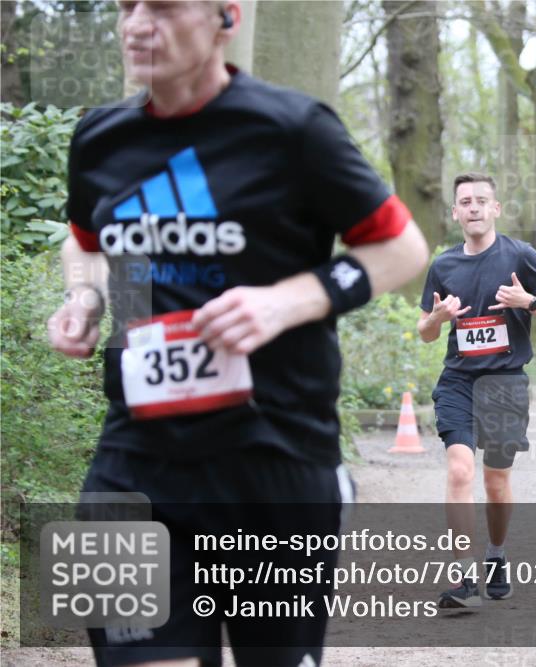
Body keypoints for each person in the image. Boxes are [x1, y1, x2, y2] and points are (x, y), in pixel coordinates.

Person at [46, 2, 429, 665]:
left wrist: (286, 301)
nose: (137, 24)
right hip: (132, 459)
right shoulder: (99, 138)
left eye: (162, 7)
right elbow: (87, 244)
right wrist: (83, 295)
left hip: (273, 459)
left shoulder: (291, 130)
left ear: (226, 16)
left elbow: (401, 248)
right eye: (126, 6)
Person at [417, 173, 536, 608]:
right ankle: (464, 580)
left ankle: (497, 555)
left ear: (496, 208)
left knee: (496, 482)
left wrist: (529, 303)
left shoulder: (521, 255)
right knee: (460, 471)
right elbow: (425, 332)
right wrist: (437, 319)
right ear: (456, 212)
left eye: (483, 200)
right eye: (466, 201)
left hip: (505, 380)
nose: (475, 207)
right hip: (459, 381)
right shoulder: (443, 266)